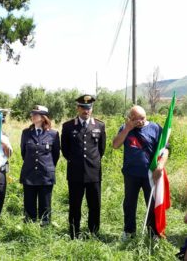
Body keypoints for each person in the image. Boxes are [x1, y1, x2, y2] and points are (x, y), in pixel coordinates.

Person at [113, 105, 169, 239]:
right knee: (129, 204)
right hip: (131, 174)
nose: (140, 121)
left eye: (142, 118)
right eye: (136, 119)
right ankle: (129, 231)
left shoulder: (155, 128)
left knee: (151, 203)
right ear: (130, 118)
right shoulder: (125, 128)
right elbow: (115, 145)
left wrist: (160, 166)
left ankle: (153, 233)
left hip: (150, 174)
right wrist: (127, 128)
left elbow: (165, 150)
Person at [61, 94, 106, 239]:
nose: (86, 111)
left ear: (91, 109)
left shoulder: (99, 125)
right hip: (75, 173)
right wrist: (77, 161)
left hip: (93, 173)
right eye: (83, 108)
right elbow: (65, 150)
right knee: (75, 205)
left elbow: (101, 149)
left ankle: (93, 232)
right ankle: (74, 233)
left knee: (94, 205)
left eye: (89, 108)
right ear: (78, 108)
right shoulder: (68, 126)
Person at [20, 105, 60, 226]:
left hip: (45, 175)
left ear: (43, 117)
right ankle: (29, 227)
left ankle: (45, 228)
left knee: (45, 204)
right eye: (32, 114)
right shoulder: (26, 133)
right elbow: (23, 152)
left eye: (35, 114)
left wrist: (47, 167)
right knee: (29, 203)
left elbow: (55, 155)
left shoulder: (53, 134)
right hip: (29, 174)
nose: (32, 116)